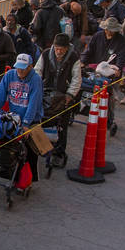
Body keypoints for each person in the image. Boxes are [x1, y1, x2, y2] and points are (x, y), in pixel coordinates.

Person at [34, 34, 81, 165]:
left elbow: (76, 79)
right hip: (46, 94)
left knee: (61, 125)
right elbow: (37, 71)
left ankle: (59, 152)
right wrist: (37, 89)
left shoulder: (74, 58)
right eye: (56, 48)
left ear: (67, 48)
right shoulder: (45, 54)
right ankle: (42, 147)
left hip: (63, 96)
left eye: (61, 49)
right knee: (42, 121)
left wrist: (70, 95)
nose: (58, 51)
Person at [0, 52, 44, 128]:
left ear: (30, 67)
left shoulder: (36, 79)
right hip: (14, 118)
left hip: (31, 120)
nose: (20, 70)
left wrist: (26, 123)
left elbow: (33, 104)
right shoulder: (9, 75)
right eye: (18, 67)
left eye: (23, 68)